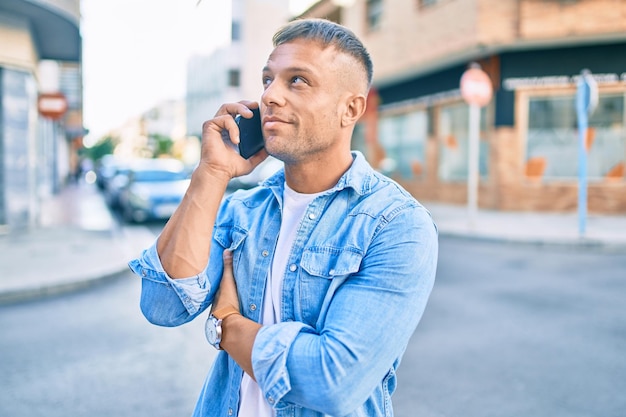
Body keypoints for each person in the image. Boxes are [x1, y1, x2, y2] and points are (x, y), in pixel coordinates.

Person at [129, 18, 438, 417]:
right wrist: (211, 174)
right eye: (267, 80)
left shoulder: (396, 224)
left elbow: (333, 381)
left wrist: (227, 325)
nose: (270, 96)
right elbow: (163, 305)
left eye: (297, 81)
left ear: (350, 109)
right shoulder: (242, 211)